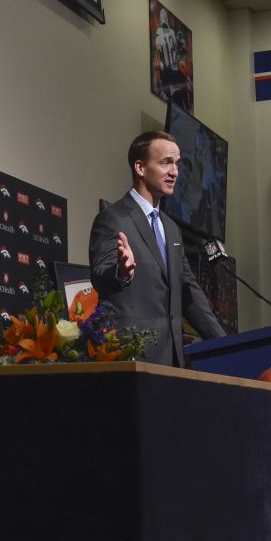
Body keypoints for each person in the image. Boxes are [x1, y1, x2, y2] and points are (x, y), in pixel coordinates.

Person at [88, 131, 227, 367]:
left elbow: (189, 292)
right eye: (165, 163)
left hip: (172, 360)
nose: (174, 172)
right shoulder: (113, 218)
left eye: (177, 164)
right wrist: (122, 272)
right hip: (132, 358)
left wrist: (226, 345)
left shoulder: (171, 228)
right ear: (140, 168)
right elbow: (100, 276)